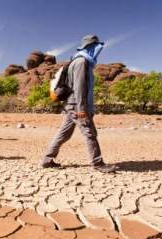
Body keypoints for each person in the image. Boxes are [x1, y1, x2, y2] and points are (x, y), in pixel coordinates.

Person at [42, 35, 116, 173]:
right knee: (90, 133)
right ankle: (98, 163)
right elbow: (79, 87)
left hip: (72, 104)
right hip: (77, 105)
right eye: (96, 46)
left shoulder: (78, 61)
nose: (98, 50)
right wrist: (82, 109)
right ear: (90, 47)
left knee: (64, 134)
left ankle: (47, 159)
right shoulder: (82, 62)